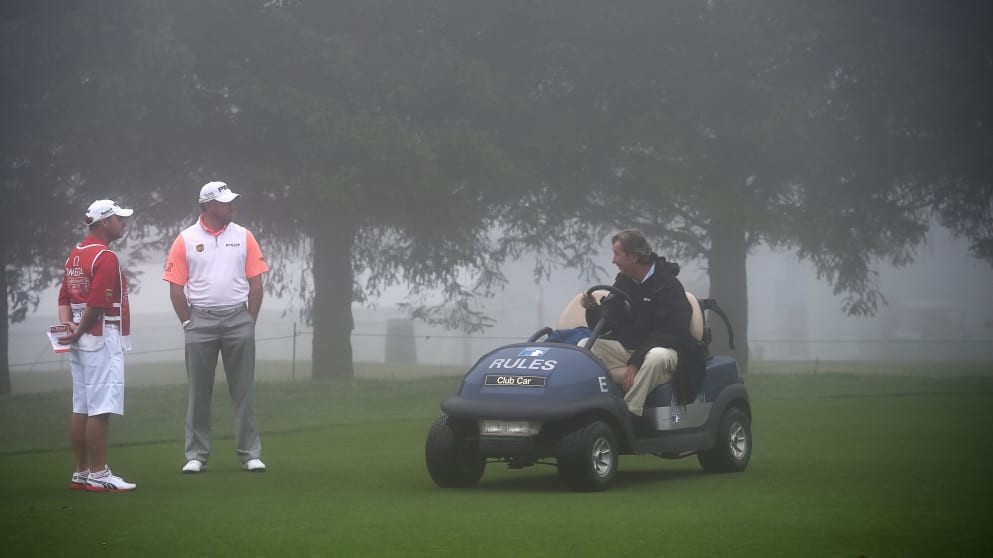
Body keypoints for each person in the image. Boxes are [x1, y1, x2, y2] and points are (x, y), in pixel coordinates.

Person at [163, 181, 269, 474]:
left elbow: (256, 281)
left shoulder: (244, 236)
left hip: (238, 319)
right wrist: (187, 322)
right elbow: (175, 286)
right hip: (200, 321)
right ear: (209, 205)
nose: (232, 206)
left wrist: (250, 320)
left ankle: (250, 454)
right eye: (225, 202)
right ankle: (196, 454)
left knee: (243, 390)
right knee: (199, 391)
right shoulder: (185, 239)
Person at [579, 229, 705, 416]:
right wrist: (592, 308)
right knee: (584, 347)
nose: (613, 261)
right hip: (632, 350)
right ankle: (589, 407)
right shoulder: (624, 281)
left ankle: (627, 412)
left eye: (617, 254)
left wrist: (635, 362)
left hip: (669, 350)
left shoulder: (667, 285)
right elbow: (607, 322)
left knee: (654, 357)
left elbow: (670, 332)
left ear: (633, 256)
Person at [58, 199, 137, 492]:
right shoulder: (106, 256)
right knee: (100, 408)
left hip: (80, 339)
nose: (123, 223)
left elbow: (64, 298)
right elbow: (98, 302)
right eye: (119, 218)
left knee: (82, 404)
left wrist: (69, 326)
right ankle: (100, 474)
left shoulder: (76, 255)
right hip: (99, 336)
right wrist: (78, 332)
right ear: (105, 222)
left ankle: (81, 472)